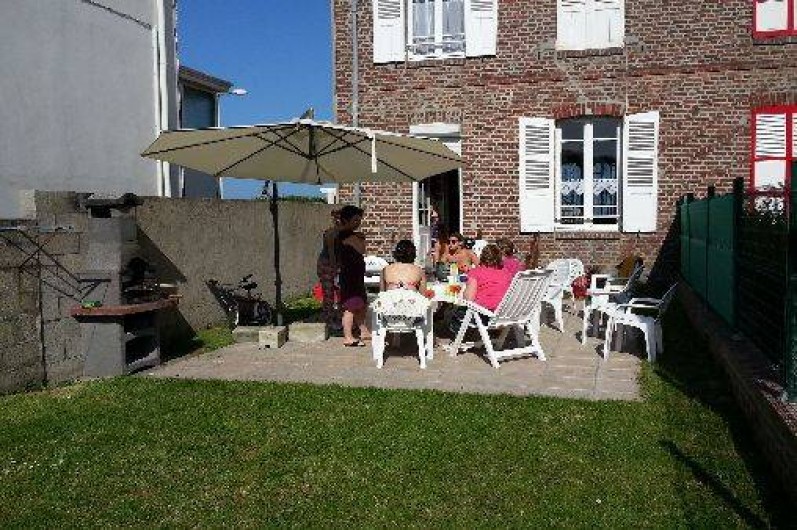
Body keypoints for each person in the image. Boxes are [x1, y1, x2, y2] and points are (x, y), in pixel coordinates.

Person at [449, 244, 512, 334]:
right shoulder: (506, 272)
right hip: (506, 314)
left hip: (487, 316)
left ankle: (458, 338)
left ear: (482, 257)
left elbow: (468, 299)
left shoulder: (476, 272)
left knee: (456, 313)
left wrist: (465, 290)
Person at [335, 205, 370, 347]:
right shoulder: (343, 236)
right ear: (345, 220)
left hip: (357, 276)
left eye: (359, 220)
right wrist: (358, 238)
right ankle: (348, 336)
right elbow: (361, 249)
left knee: (361, 305)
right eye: (355, 220)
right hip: (349, 277)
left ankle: (364, 331)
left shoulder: (353, 235)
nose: (358, 223)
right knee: (350, 307)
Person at [317, 209, 341, 331]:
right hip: (327, 264)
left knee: (341, 293)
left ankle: (339, 317)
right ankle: (328, 320)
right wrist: (335, 268)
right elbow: (331, 253)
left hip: (338, 264)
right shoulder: (330, 233)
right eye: (337, 218)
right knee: (329, 293)